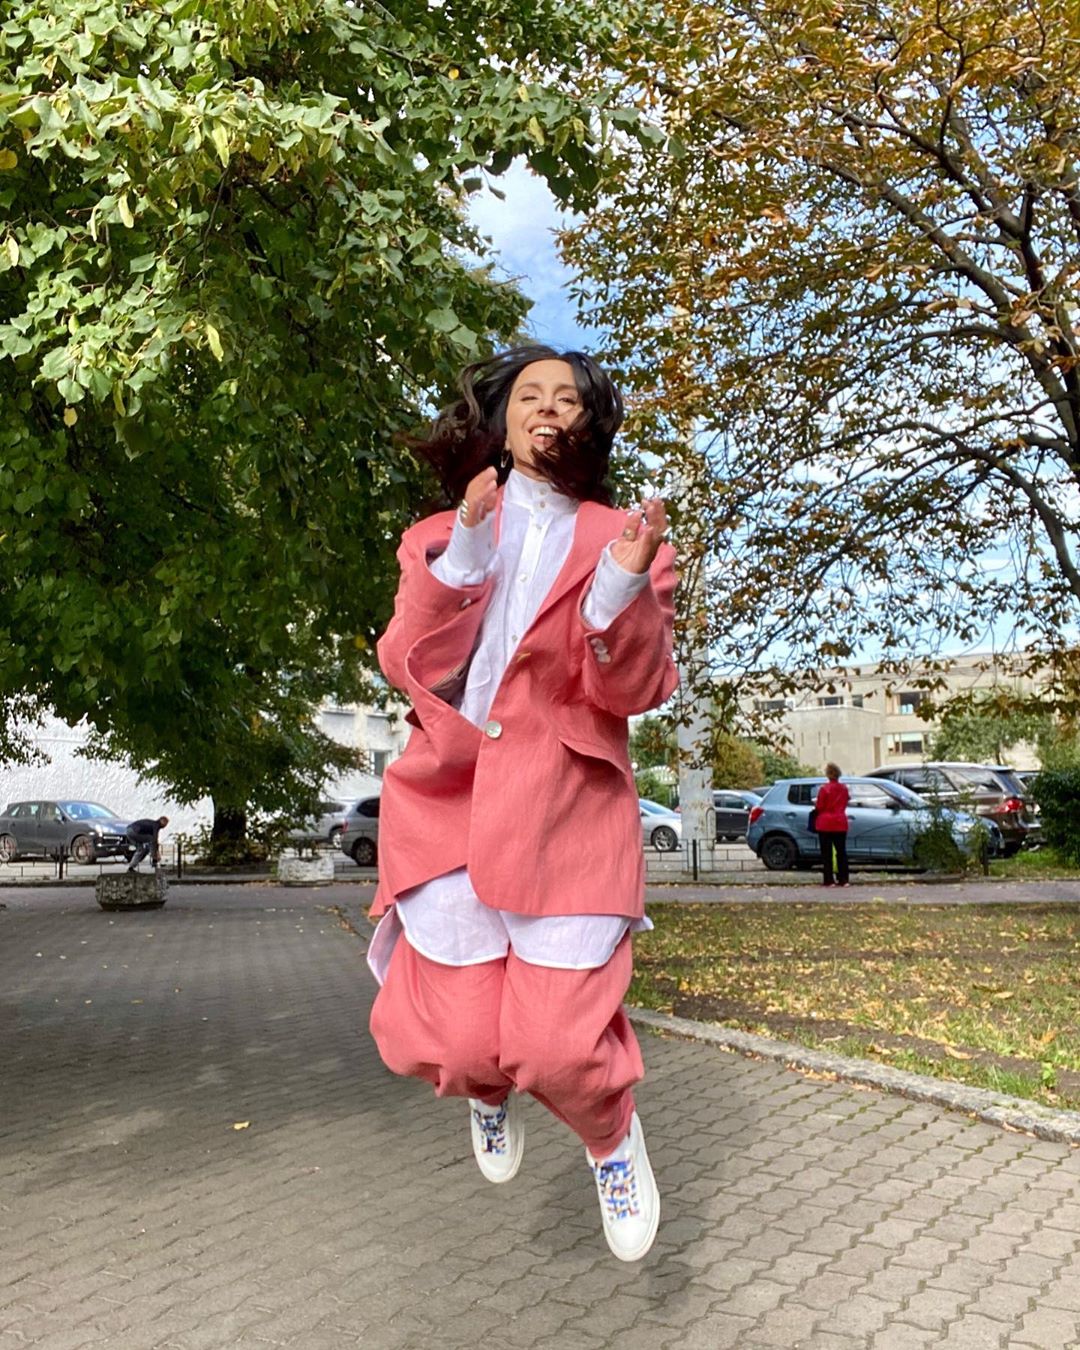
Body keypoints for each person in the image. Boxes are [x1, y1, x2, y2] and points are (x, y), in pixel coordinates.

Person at [366, 345, 678, 1262]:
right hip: (449, 800)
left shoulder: (629, 539)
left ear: (590, 424)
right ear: (498, 422)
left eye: (568, 400)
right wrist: (465, 550)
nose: (548, 408)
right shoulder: (436, 535)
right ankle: (487, 1096)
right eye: (529, 395)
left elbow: (634, 689)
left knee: (554, 1047)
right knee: (464, 1045)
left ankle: (611, 1142)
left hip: (566, 809)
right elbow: (404, 664)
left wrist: (618, 587)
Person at [815, 764, 849, 887]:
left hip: (825, 823)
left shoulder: (824, 789)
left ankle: (829, 880)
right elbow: (845, 802)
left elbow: (819, 806)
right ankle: (843, 879)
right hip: (840, 822)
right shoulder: (844, 788)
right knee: (841, 852)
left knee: (826, 853)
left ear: (828, 774)